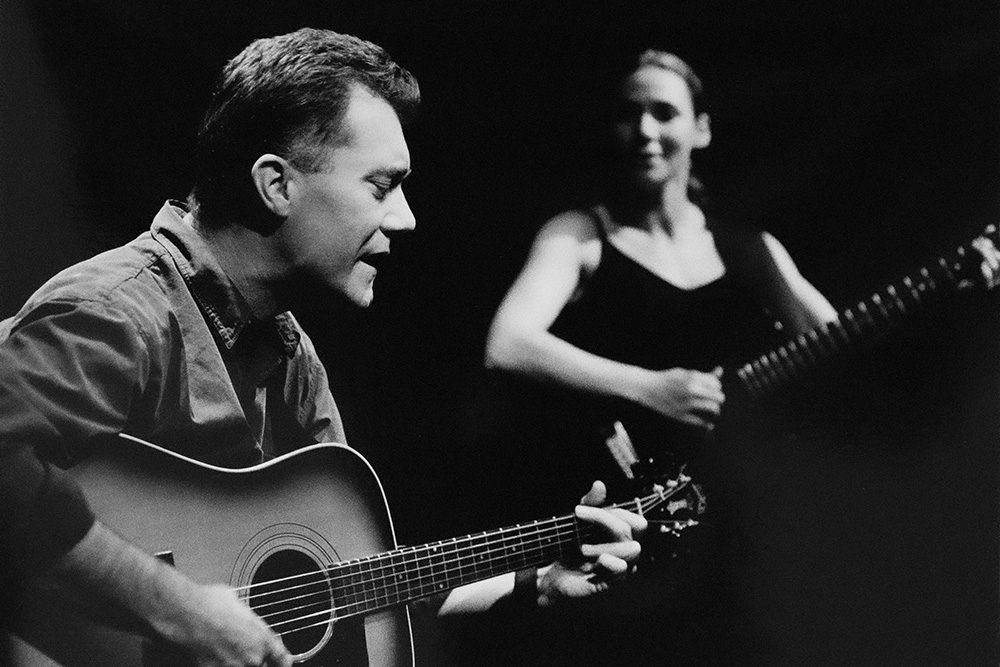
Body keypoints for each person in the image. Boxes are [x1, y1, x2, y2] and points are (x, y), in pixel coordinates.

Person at [0, 29, 646, 667]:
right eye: (381, 185)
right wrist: (180, 610)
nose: (406, 218)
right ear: (277, 186)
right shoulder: (114, 311)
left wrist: (534, 579)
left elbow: (347, 578)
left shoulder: (291, 354)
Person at [481, 49, 1000, 665]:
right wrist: (650, 387)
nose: (644, 130)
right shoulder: (580, 234)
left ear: (700, 128)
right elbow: (508, 344)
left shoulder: (753, 250)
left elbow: (842, 342)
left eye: (664, 113)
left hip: (729, 528)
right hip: (613, 516)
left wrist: (940, 290)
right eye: (628, 114)